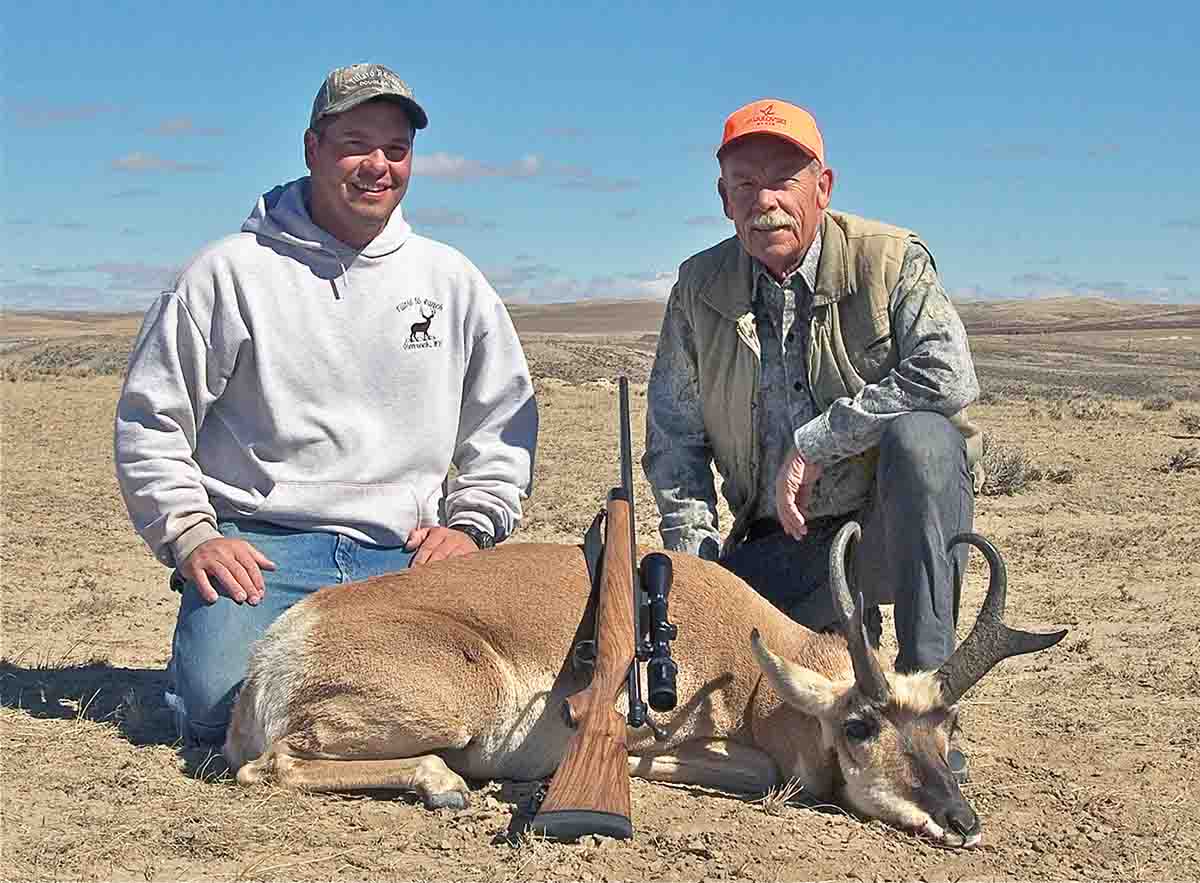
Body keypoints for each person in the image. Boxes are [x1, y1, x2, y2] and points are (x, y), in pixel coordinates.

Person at [115, 63, 538, 748]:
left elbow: (504, 427)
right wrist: (192, 532)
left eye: (396, 150)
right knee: (220, 717)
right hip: (264, 552)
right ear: (312, 148)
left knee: (486, 706)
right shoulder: (227, 274)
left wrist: (474, 525)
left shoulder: (452, 281)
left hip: (402, 553)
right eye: (355, 143)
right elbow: (150, 419)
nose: (378, 165)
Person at [642, 100, 983, 775]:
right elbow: (675, 444)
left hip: (886, 535)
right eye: (745, 185)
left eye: (784, 181)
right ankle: (836, 646)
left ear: (822, 188)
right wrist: (697, 570)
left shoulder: (890, 259)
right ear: (723, 198)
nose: (764, 201)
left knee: (927, 444)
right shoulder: (698, 288)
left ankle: (923, 700)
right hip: (783, 550)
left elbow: (949, 372)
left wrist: (820, 440)